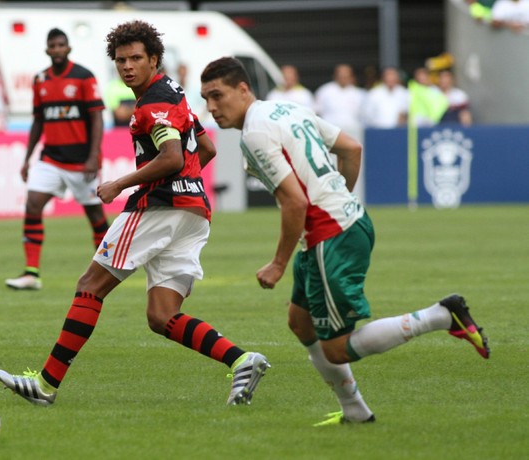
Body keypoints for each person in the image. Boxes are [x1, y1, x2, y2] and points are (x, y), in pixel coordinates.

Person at [199, 57, 490, 425]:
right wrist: (339, 198)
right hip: (339, 223)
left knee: (337, 349)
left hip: (329, 235)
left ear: (243, 89)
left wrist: (277, 263)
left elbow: (295, 201)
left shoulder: (255, 133)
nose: (211, 107)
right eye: (205, 98)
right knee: (300, 322)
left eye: (217, 95)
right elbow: (351, 149)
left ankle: (439, 316)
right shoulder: (287, 108)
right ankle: (355, 411)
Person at [0, 20, 270, 407]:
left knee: (91, 285)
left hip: (158, 207)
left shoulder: (152, 104)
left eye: (136, 58)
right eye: (121, 60)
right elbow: (204, 150)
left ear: (153, 59)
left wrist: (119, 184)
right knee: (162, 316)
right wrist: (187, 184)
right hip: (194, 213)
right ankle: (241, 359)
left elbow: (172, 157)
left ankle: (45, 384)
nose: (127, 66)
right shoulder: (173, 90)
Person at [4, 28, 109, 291]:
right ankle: (31, 272)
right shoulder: (40, 80)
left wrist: (94, 155)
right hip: (50, 158)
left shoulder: (84, 77)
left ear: (69, 48)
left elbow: (96, 118)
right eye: (53, 45)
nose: (58, 49)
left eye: (62, 44)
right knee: (33, 204)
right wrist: (27, 159)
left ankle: (110, 268)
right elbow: (38, 121)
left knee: (94, 214)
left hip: (81, 161)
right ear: (47, 50)